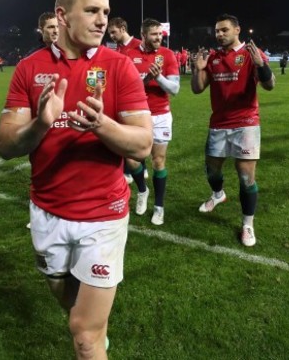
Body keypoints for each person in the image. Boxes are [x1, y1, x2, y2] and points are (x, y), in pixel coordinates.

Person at [0, 0, 152, 359]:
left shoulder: (119, 67)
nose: (103, 20)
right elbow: (5, 145)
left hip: (103, 215)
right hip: (47, 211)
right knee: (66, 300)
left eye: (106, 11)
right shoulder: (29, 69)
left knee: (81, 333)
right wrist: (41, 123)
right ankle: (96, 333)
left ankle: (93, 336)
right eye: (92, 11)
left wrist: (101, 125)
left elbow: (143, 144)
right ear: (62, 16)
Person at [191, 14, 275, 247]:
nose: (219, 34)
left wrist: (261, 65)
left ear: (237, 30)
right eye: (217, 31)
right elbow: (198, 89)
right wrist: (199, 69)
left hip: (246, 122)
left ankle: (247, 224)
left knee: (246, 176)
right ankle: (218, 195)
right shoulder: (213, 57)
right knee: (212, 170)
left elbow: (270, 85)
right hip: (218, 123)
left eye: (224, 30)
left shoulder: (251, 54)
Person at [123, 18, 180, 225]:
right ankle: (142, 190)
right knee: (131, 160)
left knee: (158, 161)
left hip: (161, 115)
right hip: (136, 114)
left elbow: (174, 89)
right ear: (144, 34)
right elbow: (125, 86)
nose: (159, 38)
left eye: (160, 34)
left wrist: (159, 79)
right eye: (154, 34)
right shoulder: (129, 55)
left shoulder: (168, 55)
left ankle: (159, 206)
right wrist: (144, 81)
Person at [107, 16, 146, 183]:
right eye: (110, 33)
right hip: (121, 99)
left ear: (123, 29)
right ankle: (129, 170)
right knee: (123, 133)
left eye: (114, 32)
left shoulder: (140, 46)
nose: (111, 36)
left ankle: (139, 168)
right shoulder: (117, 50)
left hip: (141, 99)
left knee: (137, 133)